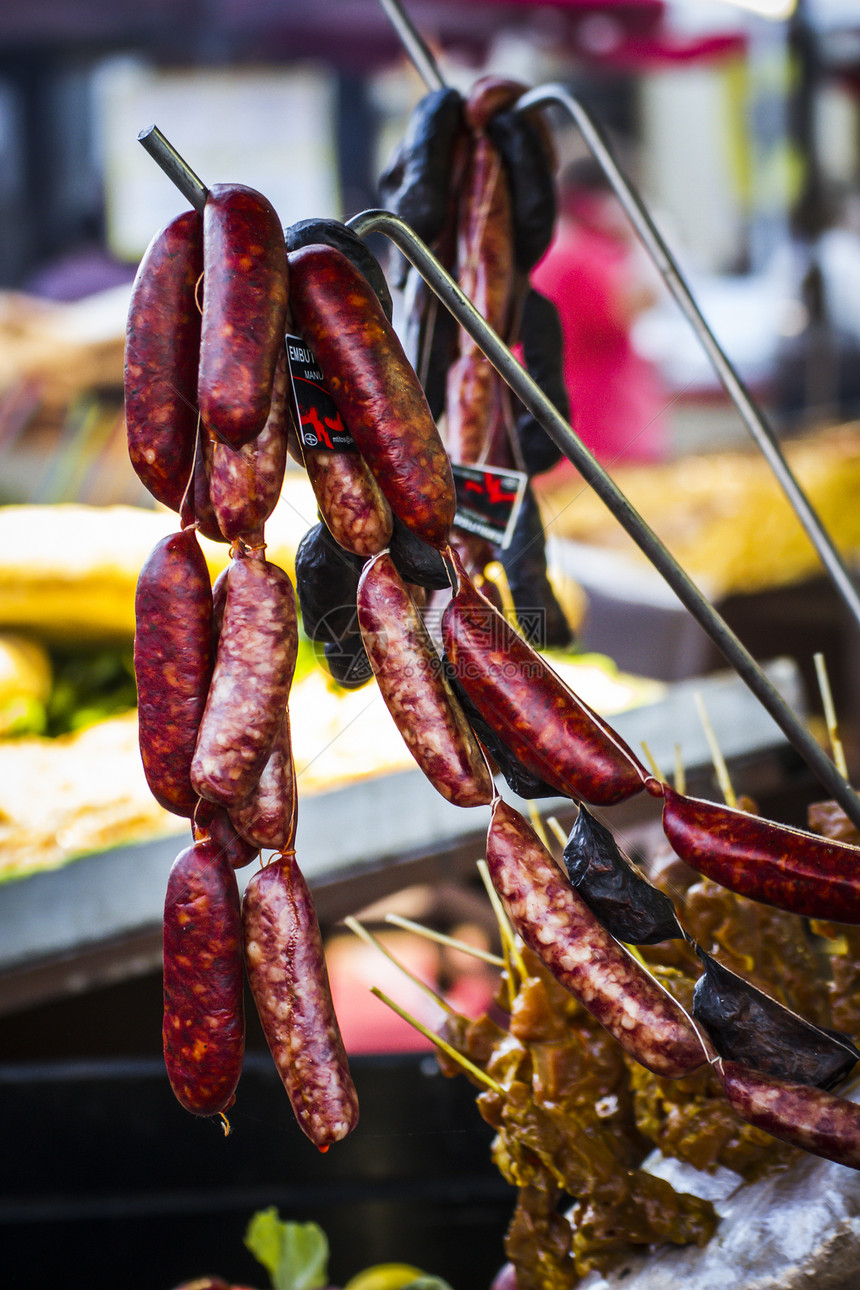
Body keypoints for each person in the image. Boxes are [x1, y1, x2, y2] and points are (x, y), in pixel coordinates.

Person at [531, 154, 670, 468]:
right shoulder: (580, 257)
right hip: (599, 449)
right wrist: (641, 234)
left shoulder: (560, 252)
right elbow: (642, 297)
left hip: (585, 446)